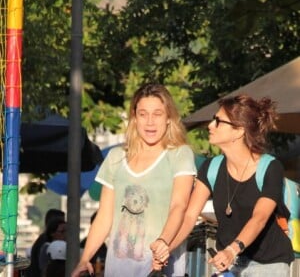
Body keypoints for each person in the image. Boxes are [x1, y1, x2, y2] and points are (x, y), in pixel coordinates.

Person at [158, 94, 294, 276]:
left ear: (238, 131)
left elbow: (259, 218)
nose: (210, 125)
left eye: (218, 121)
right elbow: (190, 216)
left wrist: (232, 250)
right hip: (228, 263)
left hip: (268, 263)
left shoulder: (270, 167)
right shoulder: (211, 167)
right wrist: (167, 248)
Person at [71, 83, 197, 277]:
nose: (150, 122)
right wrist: (85, 258)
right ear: (134, 118)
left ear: (169, 119)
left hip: (161, 267)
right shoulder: (115, 157)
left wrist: (164, 242)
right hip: (118, 268)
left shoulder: (180, 154)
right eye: (143, 114)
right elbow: (105, 216)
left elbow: (179, 206)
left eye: (157, 114)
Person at [27, 208, 65, 277]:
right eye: (63, 231)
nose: (66, 234)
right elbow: (43, 270)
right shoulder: (45, 246)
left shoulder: (43, 241)